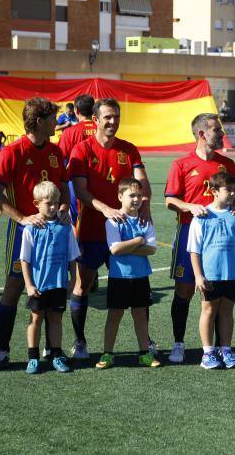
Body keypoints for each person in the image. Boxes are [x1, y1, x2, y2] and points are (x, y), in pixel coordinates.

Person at [68, 98, 152, 359]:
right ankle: (80, 341)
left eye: (116, 116)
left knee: (136, 283)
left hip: (126, 232)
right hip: (92, 230)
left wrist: (145, 210)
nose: (113, 121)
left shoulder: (129, 149)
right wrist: (106, 210)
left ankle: (145, 341)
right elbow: (80, 190)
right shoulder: (81, 150)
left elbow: (142, 182)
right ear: (95, 120)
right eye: (107, 117)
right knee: (83, 285)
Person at [0, 97, 69, 368]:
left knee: (53, 288)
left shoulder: (56, 152)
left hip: (55, 232)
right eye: (52, 119)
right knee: (13, 288)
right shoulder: (12, 151)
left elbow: (65, 187)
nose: (56, 124)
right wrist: (23, 218)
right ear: (38, 121)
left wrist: (66, 207)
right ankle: (3, 350)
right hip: (24, 232)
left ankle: (52, 350)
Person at [164, 113, 235, 364]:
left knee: (219, 293)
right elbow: (170, 200)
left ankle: (220, 348)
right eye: (217, 130)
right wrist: (189, 206)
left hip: (221, 238)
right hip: (191, 234)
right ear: (201, 134)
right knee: (185, 289)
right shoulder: (181, 164)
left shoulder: (227, 165)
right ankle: (178, 343)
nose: (221, 134)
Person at [187, 172, 235, 370]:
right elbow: (194, 249)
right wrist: (198, 275)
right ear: (214, 191)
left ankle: (225, 349)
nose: (233, 194)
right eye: (228, 190)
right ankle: (208, 352)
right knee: (208, 310)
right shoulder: (202, 216)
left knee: (227, 312)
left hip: (232, 274)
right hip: (210, 275)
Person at [95, 178, 160, 369]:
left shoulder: (145, 220)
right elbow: (114, 249)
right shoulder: (113, 221)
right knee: (115, 315)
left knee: (140, 315)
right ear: (120, 196)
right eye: (132, 195)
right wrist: (139, 239)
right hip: (119, 277)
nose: (136, 199)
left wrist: (128, 246)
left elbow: (152, 249)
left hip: (141, 277)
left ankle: (144, 353)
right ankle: (107, 354)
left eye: (139, 195)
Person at [19, 181, 80, 374]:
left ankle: (56, 355)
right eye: (48, 203)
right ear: (36, 203)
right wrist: (29, 285)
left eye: (56, 202)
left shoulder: (65, 227)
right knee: (36, 320)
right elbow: (24, 260)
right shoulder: (31, 228)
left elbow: (72, 256)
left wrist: (73, 279)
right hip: (38, 285)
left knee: (56, 320)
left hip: (59, 284)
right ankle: (33, 358)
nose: (53, 207)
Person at [58, 95, 96, 224]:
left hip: (75, 184)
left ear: (76, 111)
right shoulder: (102, 129)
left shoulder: (69, 132)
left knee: (77, 223)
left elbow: (61, 160)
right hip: (101, 181)